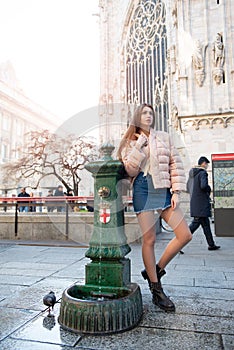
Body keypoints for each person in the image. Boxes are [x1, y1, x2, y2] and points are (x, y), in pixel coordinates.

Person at [117, 103, 192, 312]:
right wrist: (140, 144)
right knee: (149, 239)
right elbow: (130, 171)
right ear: (137, 117)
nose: (148, 116)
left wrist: (176, 191)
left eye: (151, 113)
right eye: (144, 113)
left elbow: (175, 164)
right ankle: (156, 289)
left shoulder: (164, 137)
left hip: (163, 189)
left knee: (184, 234)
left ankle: (156, 270)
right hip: (142, 188)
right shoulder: (129, 142)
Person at [187, 156, 220, 251]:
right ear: (203, 163)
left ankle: (211, 244)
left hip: (195, 203)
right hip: (201, 203)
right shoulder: (202, 173)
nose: (207, 166)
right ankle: (179, 242)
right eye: (207, 164)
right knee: (195, 224)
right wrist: (208, 189)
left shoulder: (192, 174)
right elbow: (203, 185)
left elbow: (187, 188)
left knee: (205, 224)